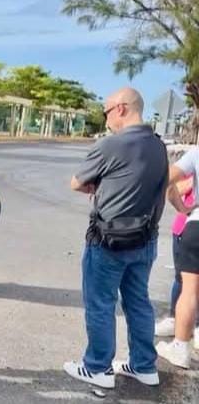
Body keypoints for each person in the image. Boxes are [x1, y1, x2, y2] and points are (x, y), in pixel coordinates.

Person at [64, 87, 167, 389]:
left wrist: (100, 187)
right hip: (146, 238)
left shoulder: (111, 144)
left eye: (106, 111)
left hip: (108, 240)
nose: (106, 118)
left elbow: (76, 182)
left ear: (121, 108)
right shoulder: (158, 146)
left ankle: (97, 367)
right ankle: (144, 366)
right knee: (138, 302)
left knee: (100, 304)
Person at [155, 176, 198, 342]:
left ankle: (194, 327)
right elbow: (172, 188)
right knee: (181, 279)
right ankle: (175, 319)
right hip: (184, 228)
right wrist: (193, 182)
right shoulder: (192, 165)